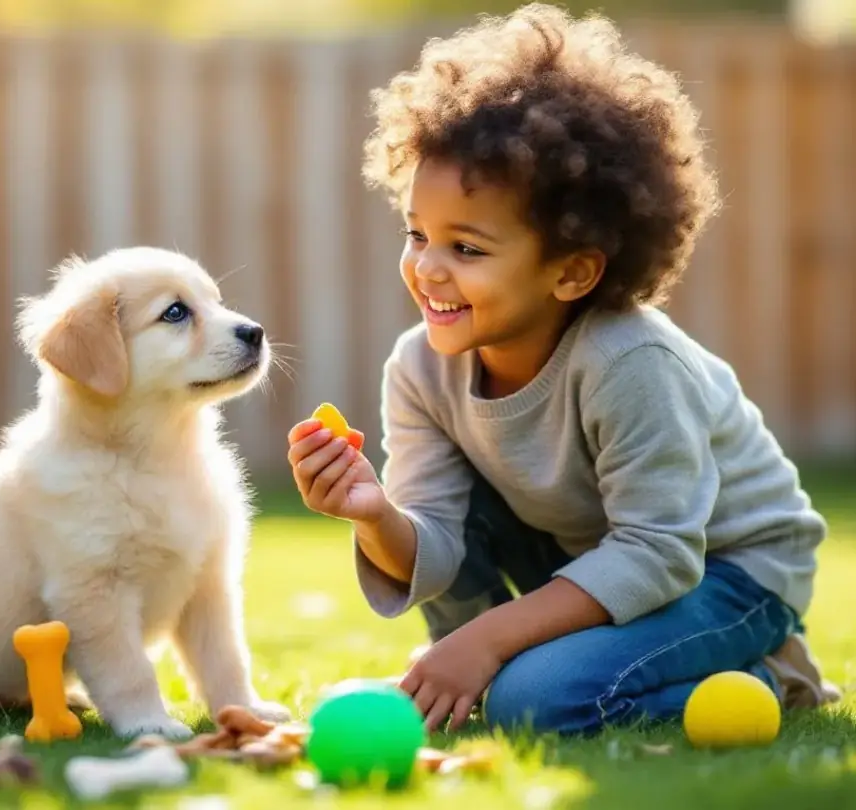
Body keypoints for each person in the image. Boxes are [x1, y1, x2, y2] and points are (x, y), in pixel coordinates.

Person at [286, 3, 840, 735]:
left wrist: (483, 639)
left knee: (536, 704)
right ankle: (486, 672)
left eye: (467, 249)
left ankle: (768, 672)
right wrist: (373, 515)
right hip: (587, 549)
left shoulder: (630, 361)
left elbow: (661, 551)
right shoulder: (419, 366)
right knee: (503, 654)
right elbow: (441, 543)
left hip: (729, 571)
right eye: (416, 233)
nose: (425, 268)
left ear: (572, 273)